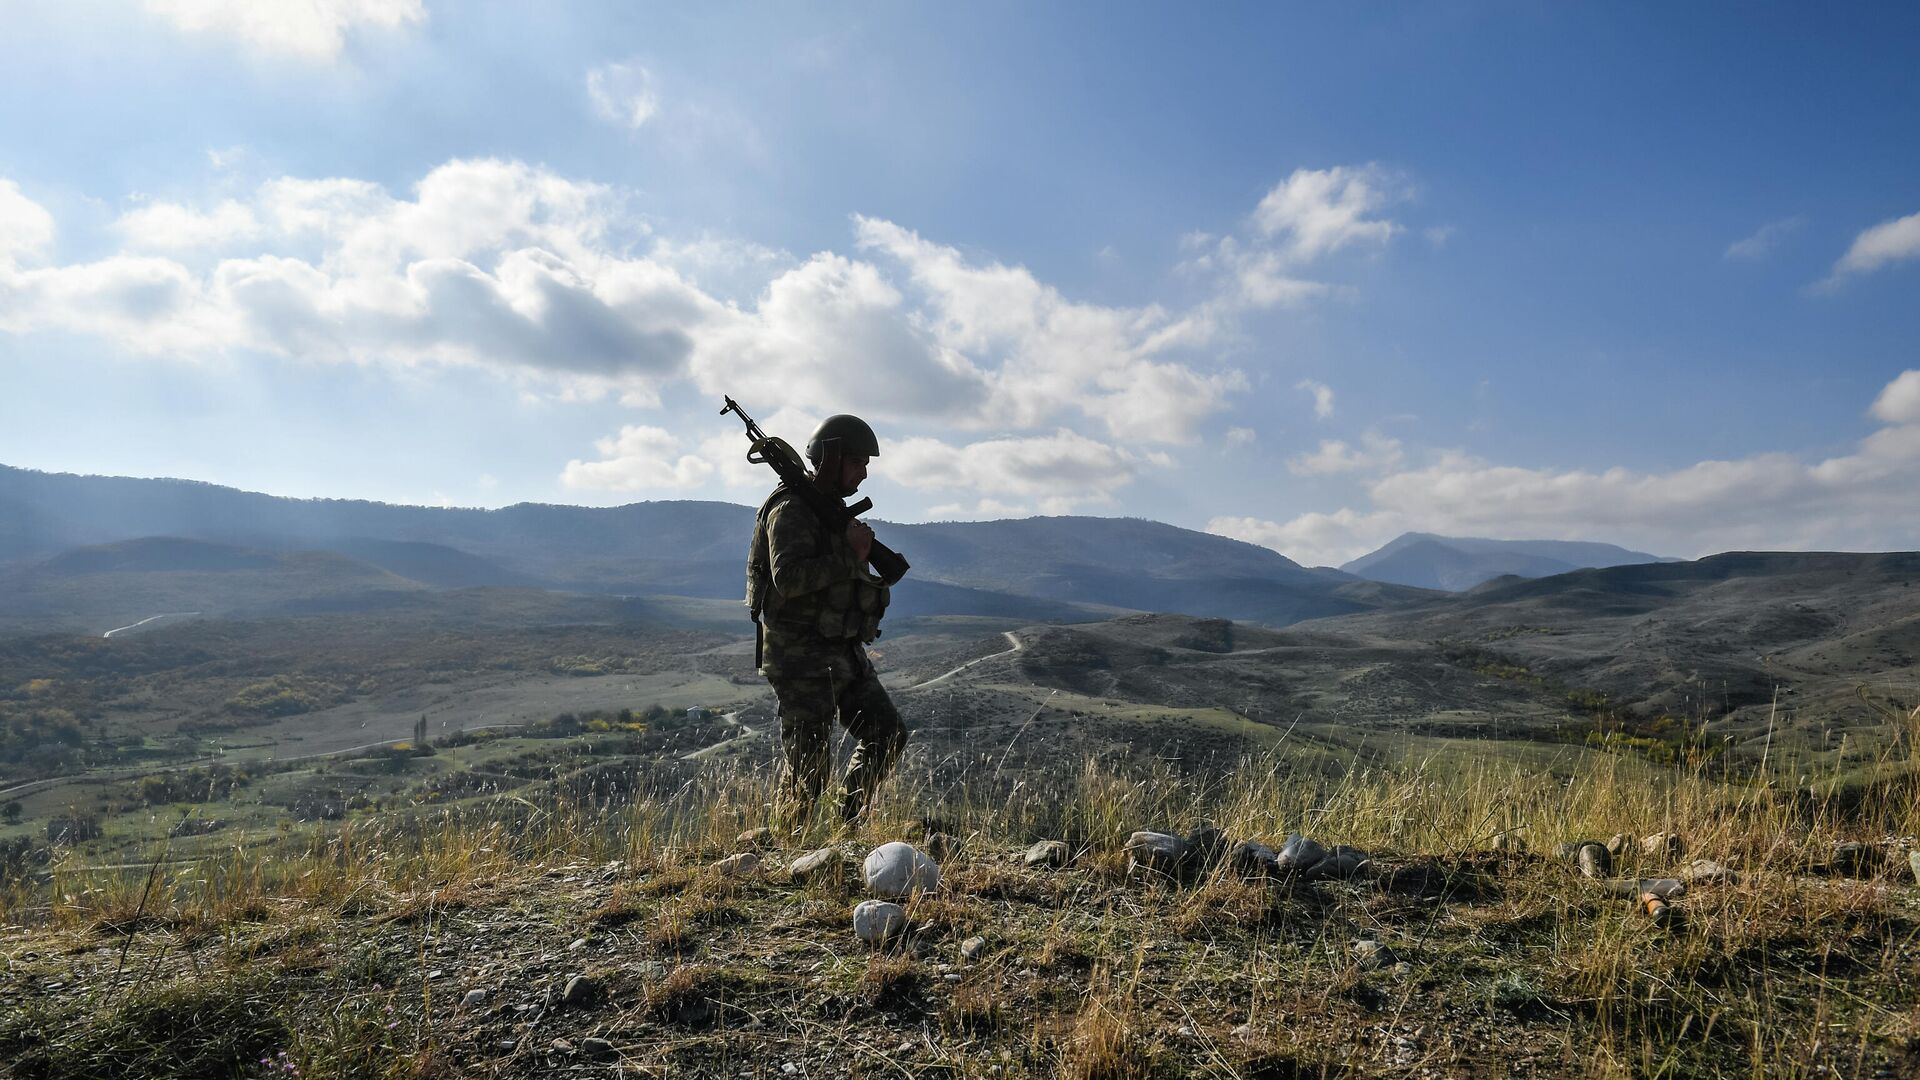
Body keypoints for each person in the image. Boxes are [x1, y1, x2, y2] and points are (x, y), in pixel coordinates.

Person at [746, 414, 905, 828]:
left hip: (842, 651)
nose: (864, 473)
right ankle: (784, 852)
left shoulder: (827, 510)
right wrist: (849, 555)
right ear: (833, 459)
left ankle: (846, 822)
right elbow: (789, 579)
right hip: (801, 659)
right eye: (856, 462)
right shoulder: (792, 509)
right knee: (808, 775)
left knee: (887, 734)